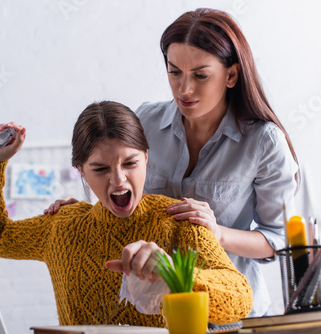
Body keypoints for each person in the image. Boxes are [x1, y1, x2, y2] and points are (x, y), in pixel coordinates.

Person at [45, 8, 299, 317]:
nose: (184, 89)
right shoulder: (146, 121)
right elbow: (123, 191)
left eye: (200, 75)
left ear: (231, 75)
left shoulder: (264, 141)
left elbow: (277, 240)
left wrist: (217, 232)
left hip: (225, 311)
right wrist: (89, 211)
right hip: (153, 312)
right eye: (174, 71)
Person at [0, 101, 252, 327]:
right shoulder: (61, 226)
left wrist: (175, 273)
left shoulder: (178, 222)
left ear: (146, 157)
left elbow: (241, 298)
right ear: (80, 171)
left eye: (130, 163)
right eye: (100, 169)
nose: (118, 181)